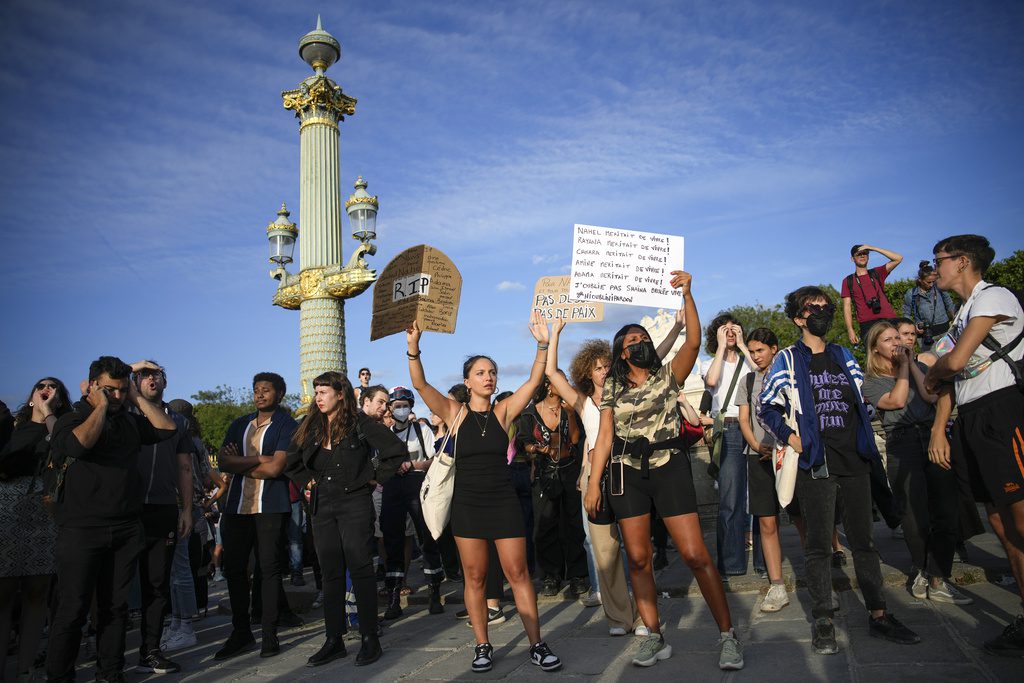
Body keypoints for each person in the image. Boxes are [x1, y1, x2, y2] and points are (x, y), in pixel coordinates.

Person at [585, 271, 744, 671]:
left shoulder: (668, 374)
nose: (640, 344)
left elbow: (692, 339)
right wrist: (592, 484)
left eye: (644, 339)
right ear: (622, 352)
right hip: (626, 476)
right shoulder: (613, 391)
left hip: (668, 466)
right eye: (633, 341)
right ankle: (653, 635)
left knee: (694, 554)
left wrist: (689, 294)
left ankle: (727, 635)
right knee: (637, 559)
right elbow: (604, 438)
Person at [759, 287, 920, 656]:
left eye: (825, 307)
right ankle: (823, 621)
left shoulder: (843, 354)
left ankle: (879, 615)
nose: (821, 312)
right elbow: (766, 407)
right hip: (817, 463)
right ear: (799, 318)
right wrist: (791, 436)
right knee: (818, 546)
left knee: (864, 542)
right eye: (812, 309)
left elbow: (868, 398)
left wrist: (903, 371)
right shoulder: (787, 359)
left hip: (855, 459)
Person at [406, 312, 563, 673]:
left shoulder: (504, 412)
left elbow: (535, 379)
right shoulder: (455, 413)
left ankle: (537, 644)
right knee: (475, 578)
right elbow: (421, 386)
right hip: (468, 505)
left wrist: (542, 343)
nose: (488, 377)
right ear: (467, 381)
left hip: (503, 501)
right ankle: (482, 645)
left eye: (492, 372)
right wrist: (413, 349)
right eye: (480, 372)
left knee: (518, 574)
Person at [46, 357, 179, 683]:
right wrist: (100, 407)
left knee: (116, 608)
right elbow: (79, 445)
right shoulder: (71, 419)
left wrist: (136, 397)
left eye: (121, 391)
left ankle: (110, 673)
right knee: (72, 610)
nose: (116, 397)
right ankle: (60, 677)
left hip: (125, 527)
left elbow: (167, 428)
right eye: (109, 390)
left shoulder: (129, 421)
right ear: (91, 386)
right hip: (81, 530)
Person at [924, 234, 1024, 657]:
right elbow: (944, 373)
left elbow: (955, 362)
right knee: (1000, 523)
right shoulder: (961, 314)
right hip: (972, 418)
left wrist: (933, 374)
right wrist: (938, 427)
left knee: (1020, 517)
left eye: (939, 261)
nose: (934, 270)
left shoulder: (994, 295)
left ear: (962, 262)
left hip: (1004, 411)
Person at [285, 371, 406, 667]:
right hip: (322, 505)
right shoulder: (310, 425)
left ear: (341, 394)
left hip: (355, 502)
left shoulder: (360, 423)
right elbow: (291, 461)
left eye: (324, 392)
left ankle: (369, 638)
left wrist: (373, 478)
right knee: (330, 573)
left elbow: (395, 451)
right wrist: (306, 483)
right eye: (316, 392)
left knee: (361, 568)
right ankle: (333, 640)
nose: (318, 397)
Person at [861, 323, 969, 606]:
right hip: (902, 442)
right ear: (876, 349)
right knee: (912, 513)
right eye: (889, 339)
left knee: (945, 509)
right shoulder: (870, 381)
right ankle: (921, 569)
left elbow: (931, 396)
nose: (897, 342)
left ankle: (937, 576)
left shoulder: (919, 365)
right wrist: (904, 368)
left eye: (899, 337)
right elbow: (896, 401)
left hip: (932, 436)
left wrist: (911, 364)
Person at [547, 323, 641, 636]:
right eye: (596, 368)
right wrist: (555, 335)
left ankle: (642, 611)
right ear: (587, 372)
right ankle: (617, 615)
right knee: (604, 548)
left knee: (636, 546)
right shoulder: (583, 403)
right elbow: (552, 375)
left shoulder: (627, 394)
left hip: (628, 471)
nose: (602, 371)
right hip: (594, 475)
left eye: (606, 366)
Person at [214, 373, 297, 661]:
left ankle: (269, 632)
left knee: (269, 568)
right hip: (237, 505)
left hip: (270, 505)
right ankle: (240, 632)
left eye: (266, 390)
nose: (260, 395)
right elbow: (223, 460)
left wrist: (242, 464)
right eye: (256, 390)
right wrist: (260, 459)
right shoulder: (240, 424)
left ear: (280, 393)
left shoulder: (287, 424)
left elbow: (276, 469)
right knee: (235, 568)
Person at [0, 378, 70, 682]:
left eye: (54, 387)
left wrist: (50, 415)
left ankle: (26, 668)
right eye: (42, 386)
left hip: (45, 511)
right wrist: (36, 417)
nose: (47, 388)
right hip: (9, 509)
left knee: (37, 592)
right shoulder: (12, 427)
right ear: (31, 396)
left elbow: (66, 453)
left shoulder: (62, 428)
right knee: (3, 594)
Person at [131, 362, 195, 674]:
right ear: (133, 382)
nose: (151, 378)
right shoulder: (124, 413)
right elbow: (97, 384)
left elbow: (185, 468)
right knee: (115, 584)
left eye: (156, 373)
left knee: (157, 584)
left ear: (166, 382)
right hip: (125, 509)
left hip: (163, 508)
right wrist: (134, 366)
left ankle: (150, 651)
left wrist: (186, 509)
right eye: (144, 374)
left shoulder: (178, 421)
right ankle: (110, 658)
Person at [735, 328, 790, 613]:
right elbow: (744, 419)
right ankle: (776, 583)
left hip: (789, 454)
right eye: (753, 351)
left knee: (801, 516)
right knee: (767, 522)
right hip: (758, 456)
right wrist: (756, 445)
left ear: (774, 349)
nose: (756, 356)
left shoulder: (789, 374)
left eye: (760, 350)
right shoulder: (747, 380)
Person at [517, 374, 587, 597]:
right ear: (548, 386)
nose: (565, 385)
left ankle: (577, 575)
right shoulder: (530, 413)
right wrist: (535, 449)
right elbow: (523, 442)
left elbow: (576, 439)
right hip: (544, 472)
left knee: (573, 524)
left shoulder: (572, 408)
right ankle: (550, 576)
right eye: (560, 381)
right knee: (545, 526)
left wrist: (569, 414)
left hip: (570, 469)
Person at [381, 386, 446, 618]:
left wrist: (413, 465)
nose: (401, 409)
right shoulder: (384, 433)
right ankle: (394, 599)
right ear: (390, 407)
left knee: (426, 536)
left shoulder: (421, 430)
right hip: (392, 486)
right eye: (396, 405)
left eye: (405, 404)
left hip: (417, 483)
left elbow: (433, 459)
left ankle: (434, 591)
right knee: (393, 541)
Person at [702, 313, 758, 578]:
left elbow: (761, 374)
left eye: (734, 329)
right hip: (730, 428)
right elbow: (712, 382)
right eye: (724, 330)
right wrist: (722, 345)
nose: (730, 333)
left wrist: (744, 343)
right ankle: (730, 563)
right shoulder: (709, 363)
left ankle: (762, 561)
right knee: (730, 500)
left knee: (759, 498)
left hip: (755, 426)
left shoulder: (749, 359)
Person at [841, 243, 903, 346]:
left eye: (865, 253)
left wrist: (872, 248)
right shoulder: (848, 281)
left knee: (895, 353)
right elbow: (846, 307)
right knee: (873, 357)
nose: (862, 256)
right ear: (852, 259)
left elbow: (898, 258)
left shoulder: (877, 272)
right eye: (859, 254)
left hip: (888, 319)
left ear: (868, 257)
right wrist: (850, 329)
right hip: (867, 323)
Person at [903, 260, 957, 351]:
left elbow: (949, 305)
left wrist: (956, 321)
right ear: (920, 280)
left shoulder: (939, 287)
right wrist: (913, 327)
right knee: (929, 362)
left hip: (944, 332)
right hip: (925, 336)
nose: (932, 285)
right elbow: (906, 313)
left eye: (933, 281)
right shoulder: (911, 293)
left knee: (949, 360)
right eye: (928, 282)